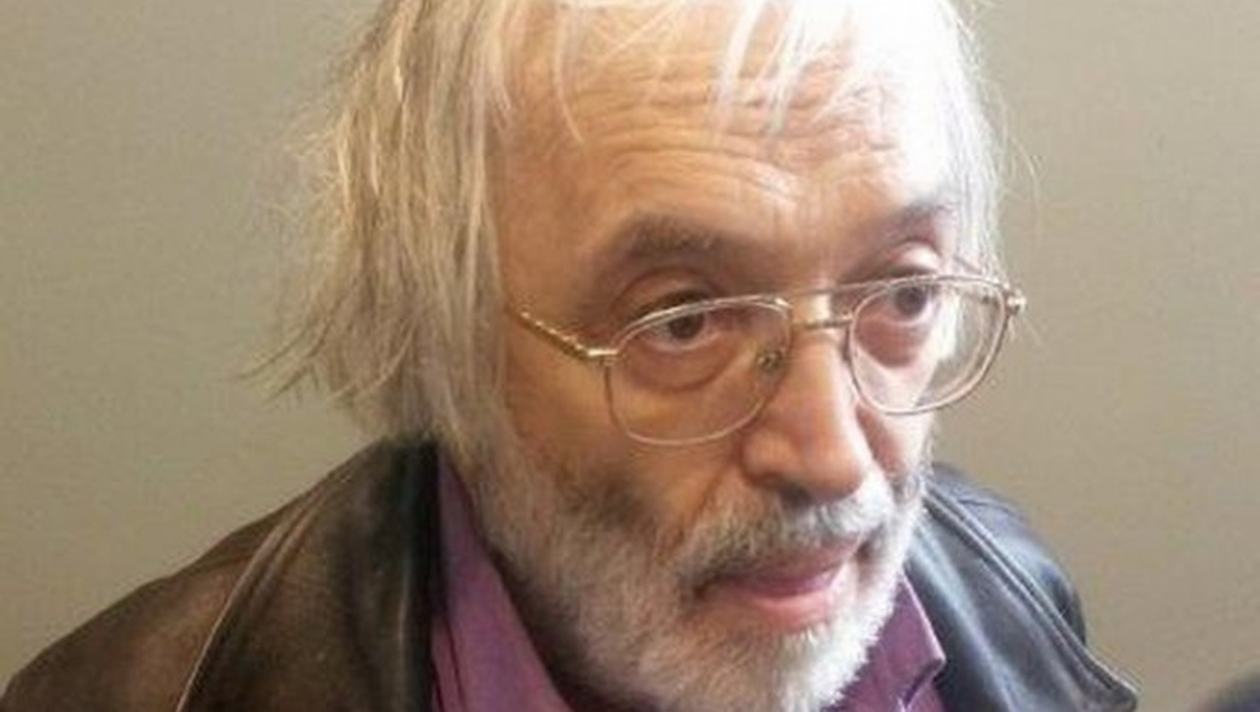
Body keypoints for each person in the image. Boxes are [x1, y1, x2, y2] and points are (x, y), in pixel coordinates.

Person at [2, 0, 1137, 709]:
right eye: (682, 321)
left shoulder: (1010, 600)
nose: (835, 458)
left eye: (903, 292)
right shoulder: (137, 693)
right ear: (445, 335)